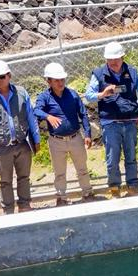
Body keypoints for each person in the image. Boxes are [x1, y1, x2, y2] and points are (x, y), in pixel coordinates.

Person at [84, 41, 138, 198]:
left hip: (130, 121)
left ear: (122, 57)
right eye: (110, 60)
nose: (113, 63)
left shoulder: (133, 72)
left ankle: (133, 185)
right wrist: (103, 94)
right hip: (110, 123)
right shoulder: (98, 74)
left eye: (116, 59)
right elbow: (89, 95)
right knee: (112, 158)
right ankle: (114, 188)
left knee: (131, 156)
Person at [0, 59, 39, 213]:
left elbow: (31, 117)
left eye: (2, 76)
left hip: (22, 143)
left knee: (24, 177)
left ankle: (24, 205)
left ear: (9, 75)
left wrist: (36, 139)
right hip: (1, 147)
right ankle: (8, 209)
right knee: (5, 180)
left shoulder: (21, 93)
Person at [33, 61, 95, 206]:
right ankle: (61, 197)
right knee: (59, 172)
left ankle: (87, 192)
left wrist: (87, 134)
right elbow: (36, 110)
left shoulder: (72, 95)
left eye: (62, 79)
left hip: (75, 138)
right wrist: (48, 116)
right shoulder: (44, 97)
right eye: (56, 80)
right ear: (48, 81)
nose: (60, 83)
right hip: (56, 141)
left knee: (82, 168)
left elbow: (83, 114)